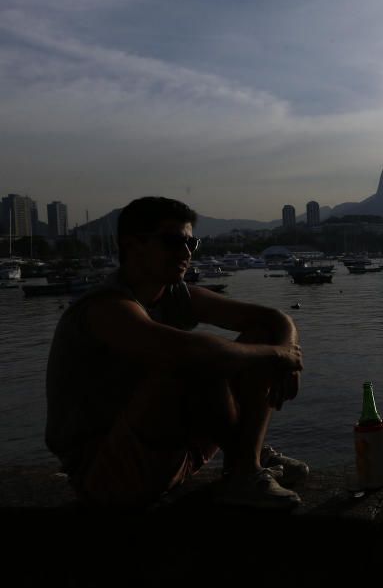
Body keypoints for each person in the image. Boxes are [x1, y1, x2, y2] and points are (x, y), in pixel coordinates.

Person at [46, 196, 308, 509]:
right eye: (172, 241)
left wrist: (287, 354)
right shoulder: (105, 308)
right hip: (108, 474)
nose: (185, 253)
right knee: (198, 359)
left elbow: (275, 319)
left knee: (261, 336)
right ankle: (245, 467)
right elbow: (191, 352)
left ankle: (248, 458)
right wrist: (278, 356)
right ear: (132, 245)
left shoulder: (174, 296)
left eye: (191, 242)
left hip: (173, 455)